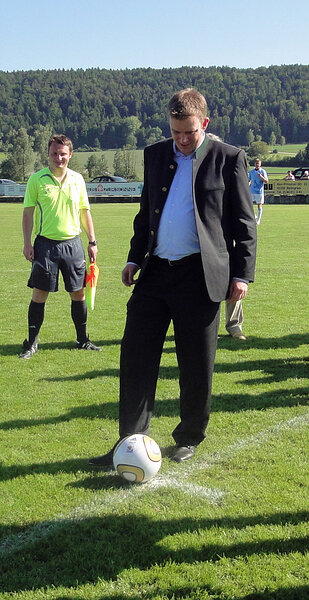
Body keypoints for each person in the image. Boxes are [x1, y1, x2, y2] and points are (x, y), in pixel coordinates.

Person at [89, 88, 257, 466]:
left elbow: (245, 223)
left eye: (190, 133)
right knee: (135, 357)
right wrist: (134, 258)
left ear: (205, 124)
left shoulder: (228, 159)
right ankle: (131, 441)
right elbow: (145, 212)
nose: (182, 141)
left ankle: (188, 436)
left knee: (196, 363)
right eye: (176, 132)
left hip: (201, 276)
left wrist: (242, 275)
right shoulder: (155, 154)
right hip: (155, 273)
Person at [19, 134, 101, 359]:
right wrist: (27, 243)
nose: (59, 158)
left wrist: (92, 241)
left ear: (70, 155)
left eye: (63, 154)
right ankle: (32, 344)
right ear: (48, 154)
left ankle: (83, 340)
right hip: (45, 245)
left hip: (73, 244)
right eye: (54, 153)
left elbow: (85, 212)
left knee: (78, 294)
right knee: (39, 294)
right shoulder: (37, 179)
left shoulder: (78, 180)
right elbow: (28, 213)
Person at [248, 158, 269, 225]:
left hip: (259, 191)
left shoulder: (263, 171)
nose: (257, 165)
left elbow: (266, 181)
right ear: (255, 164)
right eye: (256, 163)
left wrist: (261, 177)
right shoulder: (251, 172)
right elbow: (249, 180)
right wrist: (247, 186)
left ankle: (258, 220)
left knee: (259, 205)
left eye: (258, 164)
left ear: (260, 164)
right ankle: (254, 215)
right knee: (249, 204)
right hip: (252, 191)